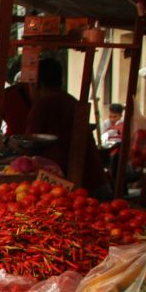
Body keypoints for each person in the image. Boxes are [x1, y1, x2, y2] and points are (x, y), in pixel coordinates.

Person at [25, 58, 108, 196]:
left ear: (39, 84)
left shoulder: (43, 105)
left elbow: (29, 144)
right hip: (96, 179)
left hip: (76, 185)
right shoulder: (71, 101)